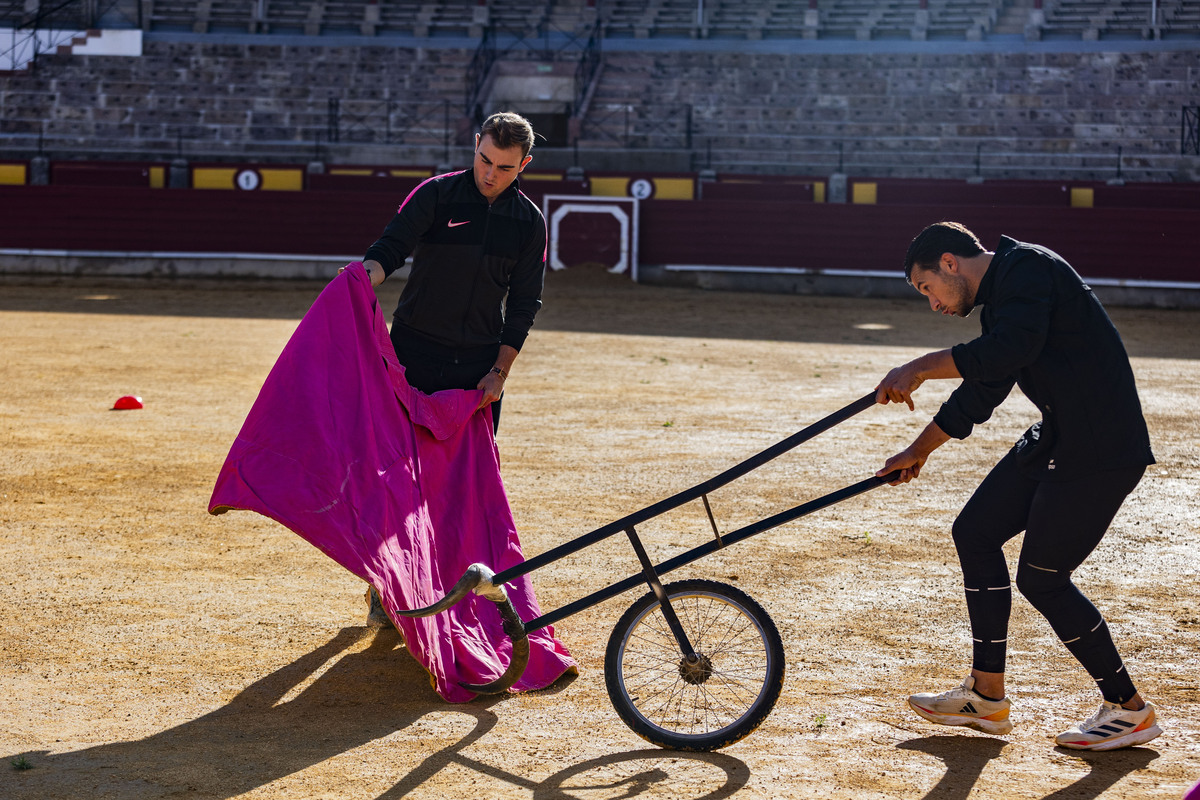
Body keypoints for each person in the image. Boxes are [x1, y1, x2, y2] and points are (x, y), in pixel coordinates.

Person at [874, 221, 1162, 752]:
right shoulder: (1007, 293)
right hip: (1060, 436)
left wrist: (920, 366)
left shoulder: (1030, 269)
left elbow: (1006, 352)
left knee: (1043, 578)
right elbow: (984, 387)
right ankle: (986, 696)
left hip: (1100, 448)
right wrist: (918, 451)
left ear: (949, 263)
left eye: (926, 288)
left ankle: (1128, 709)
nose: (932, 305)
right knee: (976, 532)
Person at [345, 111, 547, 626]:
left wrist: (499, 373)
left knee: (463, 486)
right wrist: (362, 280)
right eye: (484, 159)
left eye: (504, 167)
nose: (489, 174)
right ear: (474, 145)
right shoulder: (435, 195)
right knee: (396, 479)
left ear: (524, 164)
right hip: (413, 356)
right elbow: (390, 249)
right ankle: (385, 588)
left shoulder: (528, 224)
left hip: (476, 369)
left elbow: (524, 304)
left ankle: (447, 596)